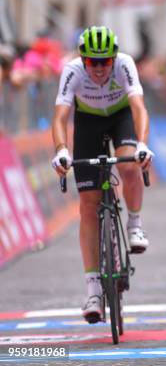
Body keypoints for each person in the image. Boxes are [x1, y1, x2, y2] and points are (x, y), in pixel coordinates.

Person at [51, 26, 154, 323]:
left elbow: (138, 107)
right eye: (92, 62)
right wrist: (60, 149)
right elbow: (60, 116)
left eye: (104, 62)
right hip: (88, 122)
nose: (98, 69)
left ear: (113, 58)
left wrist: (143, 143)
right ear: (83, 60)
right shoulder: (72, 71)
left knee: (129, 164)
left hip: (121, 117)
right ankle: (93, 290)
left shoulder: (125, 64)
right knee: (88, 205)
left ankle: (135, 224)